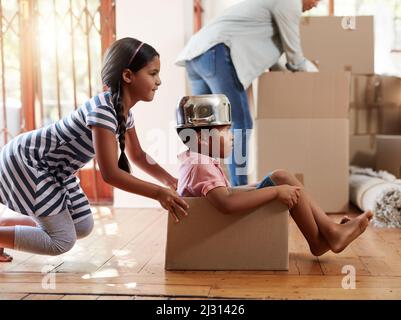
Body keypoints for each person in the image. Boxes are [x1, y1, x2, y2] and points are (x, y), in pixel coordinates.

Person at [0, 37, 189, 262]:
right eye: (153, 73)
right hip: (28, 162)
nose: (159, 81)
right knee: (62, 241)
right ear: (128, 76)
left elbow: (137, 155)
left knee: (82, 225)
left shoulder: (122, 113)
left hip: (55, 170)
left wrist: (170, 181)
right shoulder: (103, 110)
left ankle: (7, 228)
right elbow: (110, 174)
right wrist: (157, 193)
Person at [175, 96, 373, 256]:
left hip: (220, 224)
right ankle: (324, 236)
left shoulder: (198, 161)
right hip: (220, 230)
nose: (233, 135)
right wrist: (275, 192)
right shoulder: (200, 165)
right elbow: (226, 204)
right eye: (225, 130)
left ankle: (327, 233)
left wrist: (260, 186)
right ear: (200, 137)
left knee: (280, 178)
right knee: (282, 179)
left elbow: (225, 194)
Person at [176, 0, 321, 186]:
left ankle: (197, 189)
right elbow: (294, 56)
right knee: (240, 123)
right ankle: (239, 189)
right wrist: (317, 78)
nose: (317, 5)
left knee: (203, 129)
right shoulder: (291, 2)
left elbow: (275, 56)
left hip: (195, 56)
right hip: (216, 52)